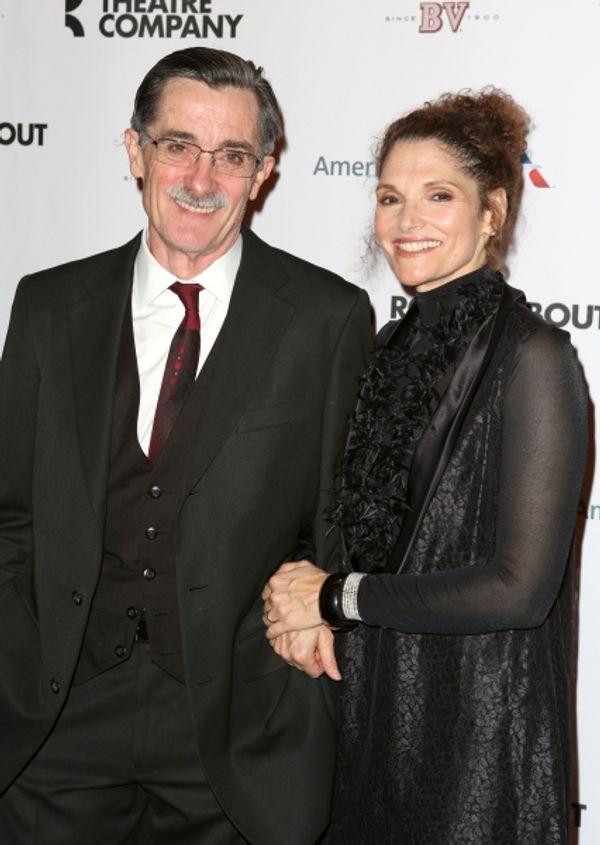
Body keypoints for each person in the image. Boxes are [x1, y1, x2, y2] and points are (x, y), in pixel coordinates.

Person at [0, 47, 372, 844]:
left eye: (231, 155)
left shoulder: (326, 319)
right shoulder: (47, 305)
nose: (201, 179)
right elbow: (11, 512)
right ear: (135, 151)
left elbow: (334, 524)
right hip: (57, 718)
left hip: (233, 723)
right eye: (178, 145)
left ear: (263, 173)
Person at [263, 88, 588, 844]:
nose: (407, 222)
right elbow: (363, 533)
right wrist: (304, 607)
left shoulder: (535, 358)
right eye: (390, 198)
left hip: (480, 743)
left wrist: (336, 596)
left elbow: (519, 588)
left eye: (438, 195)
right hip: (370, 724)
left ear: (492, 212)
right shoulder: (388, 348)